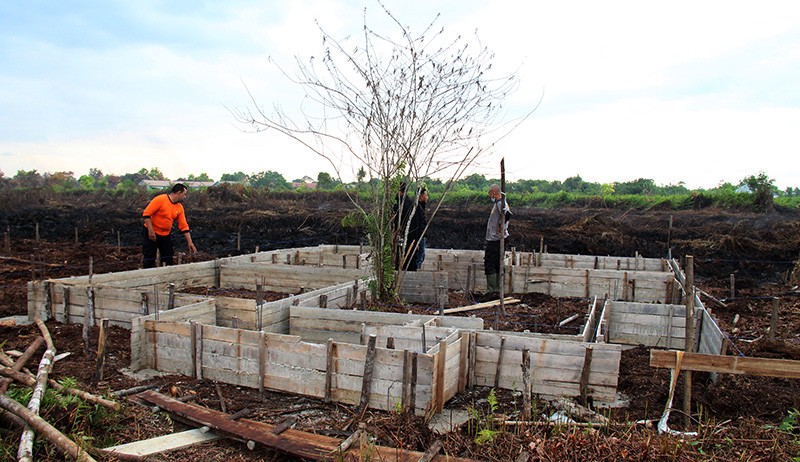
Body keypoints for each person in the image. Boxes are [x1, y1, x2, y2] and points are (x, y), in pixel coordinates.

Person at [142, 183, 197, 268]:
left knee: (168, 258)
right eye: (184, 194)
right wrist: (151, 230)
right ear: (179, 192)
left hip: (165, 235)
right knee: (149, 258)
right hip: (151, 233)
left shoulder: (179, 207)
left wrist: (190, 242)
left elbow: (183, 225)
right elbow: (146, 214)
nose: (185, 197)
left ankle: (166, 278)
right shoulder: (160, 199)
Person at [484, 184, 511, 293]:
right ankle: (497, 290)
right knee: (497, 264)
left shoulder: (500, 203)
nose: (489, 196)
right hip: (496, 239)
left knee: (490, 264)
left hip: (495, 239)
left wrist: (501, 226)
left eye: (490, 193)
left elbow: (507, 215)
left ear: (493, 192)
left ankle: (492, 290)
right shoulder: (499, 203)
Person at [409, 187, 428, 270]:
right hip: (419, 236)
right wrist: (416, 240)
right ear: (420, 196)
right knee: (420, 255)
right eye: (425, 195)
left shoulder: (421, 207)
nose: (427, 197)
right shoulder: (417, 208)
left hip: (421, 235)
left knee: (422, 255)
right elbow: (417, 225)